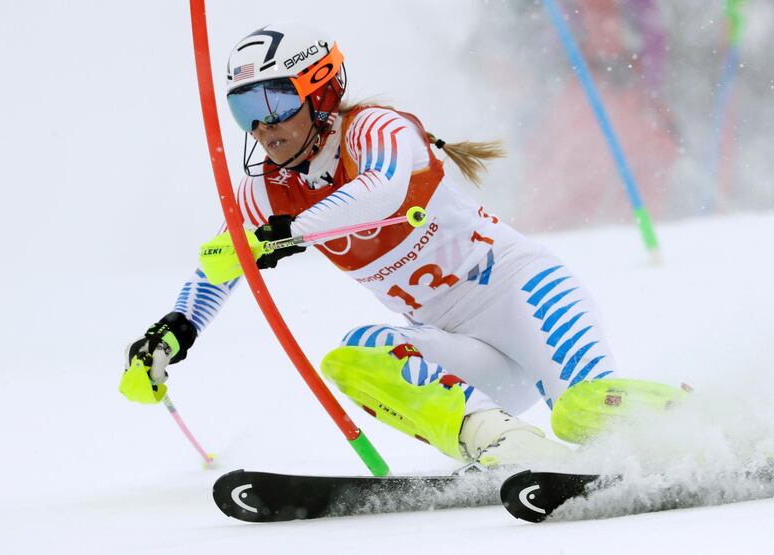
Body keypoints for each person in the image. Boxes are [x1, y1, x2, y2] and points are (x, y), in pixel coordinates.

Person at [121, 22, 683, 470]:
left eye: (274, 104)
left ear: (319, 91)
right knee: (354, 358)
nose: (262, 129)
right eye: (245, 111)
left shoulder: (377, 130)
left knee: (584, 413)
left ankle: (712, 425)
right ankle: (504, 444)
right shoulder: (269, 188)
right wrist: (174, 331)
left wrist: (287, 234)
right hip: (458, 344)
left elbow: (379, 195)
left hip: (525, 296)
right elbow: (222, 264)